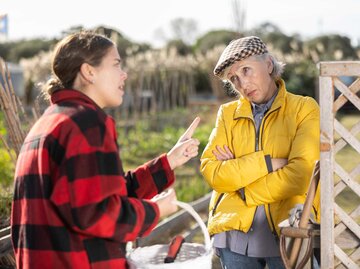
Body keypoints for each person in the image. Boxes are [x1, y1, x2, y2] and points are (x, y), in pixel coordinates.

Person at [11, 31, 200, 269]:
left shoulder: (47, 124)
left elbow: (95, 193)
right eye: (116, 64)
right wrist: (155, 210)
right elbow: (96, 212)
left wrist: (168, 162)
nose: (124, 74)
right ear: (89, 72)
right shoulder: (86, 122)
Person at [200, 36, 320, 269]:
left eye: (246, 70)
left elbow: (301, 173)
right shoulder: (227, 114)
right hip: (233, 237)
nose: (242, 84)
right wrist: (269, 163)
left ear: (268, 65)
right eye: (234, 78)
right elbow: (212, 171)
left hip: (289, 231)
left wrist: (243, 187)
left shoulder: (303, 108)